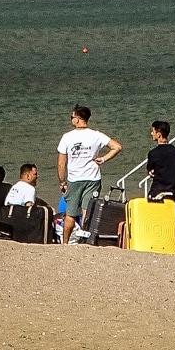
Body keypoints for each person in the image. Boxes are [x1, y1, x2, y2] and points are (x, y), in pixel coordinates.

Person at [57, 105, 122, 245]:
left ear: (78, 118)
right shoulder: (96, 135)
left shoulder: (67, 137)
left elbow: (61, 163)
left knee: (71, 213)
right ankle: (85, 241)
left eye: (72, 117)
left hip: (75, 179)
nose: (71, 120)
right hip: (93, 178)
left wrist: (62, 182)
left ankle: (65, 242)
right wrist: (103, 158)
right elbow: (117, 147)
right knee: (87, 211)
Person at [146, 120, 175, 224]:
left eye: (153, 131)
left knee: (152, 219)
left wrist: (151, 172)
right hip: (173, 190)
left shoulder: (153, 153)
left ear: (159, 134)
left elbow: (149, 170)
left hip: (158, 190)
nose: (151, 134)